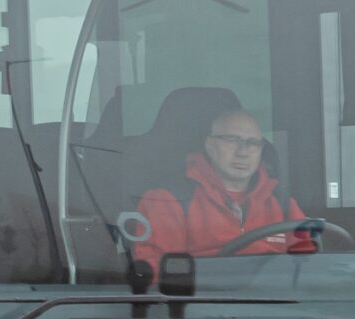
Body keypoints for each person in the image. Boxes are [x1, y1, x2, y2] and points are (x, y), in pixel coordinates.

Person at [130, 108, 319, 269]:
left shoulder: (282, 202)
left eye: (252, 143)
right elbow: (157, 274)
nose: (243, 152)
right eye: (231, 140)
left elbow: (309, 266)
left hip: (275, 304)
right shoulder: (167, 200)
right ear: (210, 145)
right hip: (200, 306)